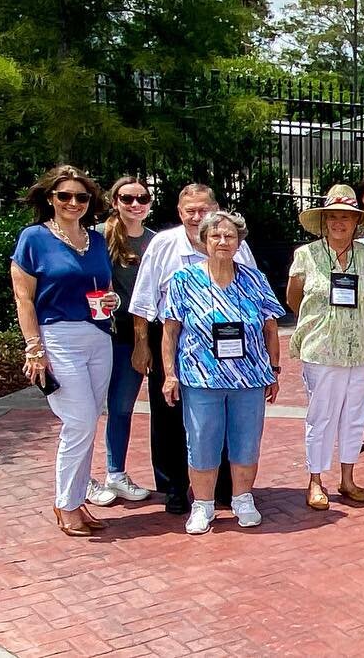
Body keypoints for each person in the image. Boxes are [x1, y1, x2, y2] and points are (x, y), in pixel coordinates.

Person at [129, 184, 254, 514]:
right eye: (190, 211)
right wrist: (143, 346)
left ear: (215, 209)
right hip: (175, 337)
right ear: (179, 212)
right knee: (170, 417)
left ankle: (226, 488)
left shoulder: (236, 245)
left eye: (203, 210)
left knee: (225, 419)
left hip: (230, 344)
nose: (197, 217)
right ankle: (174, 486)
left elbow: (256, 293)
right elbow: (143, 301)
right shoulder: (163, 244)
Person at [160, 212, 285, 534]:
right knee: (202, 441)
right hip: (201, 379)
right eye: (215, 236)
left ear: (239, 242)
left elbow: (270, 327)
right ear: (203, 241)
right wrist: (170, 374)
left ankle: (243, 499)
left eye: (230, 236)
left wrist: (273, 369)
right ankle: (202, 505)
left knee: (246, 442)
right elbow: (170, 331)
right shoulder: (183, 280)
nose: (222, 242)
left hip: (250, 377)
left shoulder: (255, 279)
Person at [11, 166, 115, 537]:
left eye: (81, 197)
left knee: (89, 421)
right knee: (80, 420)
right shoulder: (33, 238)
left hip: (98, 336)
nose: (73, 203)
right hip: (57, 337)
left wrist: (110, 299)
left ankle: (76, 498)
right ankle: (65, 503)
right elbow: (24, 298)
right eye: (65, 196)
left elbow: (100, 288)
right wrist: (34, 349)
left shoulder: (97, 240)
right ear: (50, 199)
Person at [286, 185, 364, 510]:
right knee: (322, 414)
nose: (340, 223)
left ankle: (348, 477)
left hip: (363, 348)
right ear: (324, 220)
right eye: (333, 217)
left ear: (357, 222)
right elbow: (294, 297)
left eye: (347, 218)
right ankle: (315, 480)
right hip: (321, 348)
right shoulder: (306, 255)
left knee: (356, 414)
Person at [84, 176, 156, 508]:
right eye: (127, 199)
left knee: (122, 409)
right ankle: (82, 478)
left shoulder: (156, 242)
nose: (135, 205)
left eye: (142, 198)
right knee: (85, 411)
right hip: (99, 335)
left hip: (134, 337)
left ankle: (116, 473)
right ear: (115, 202)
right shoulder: (97, 238)